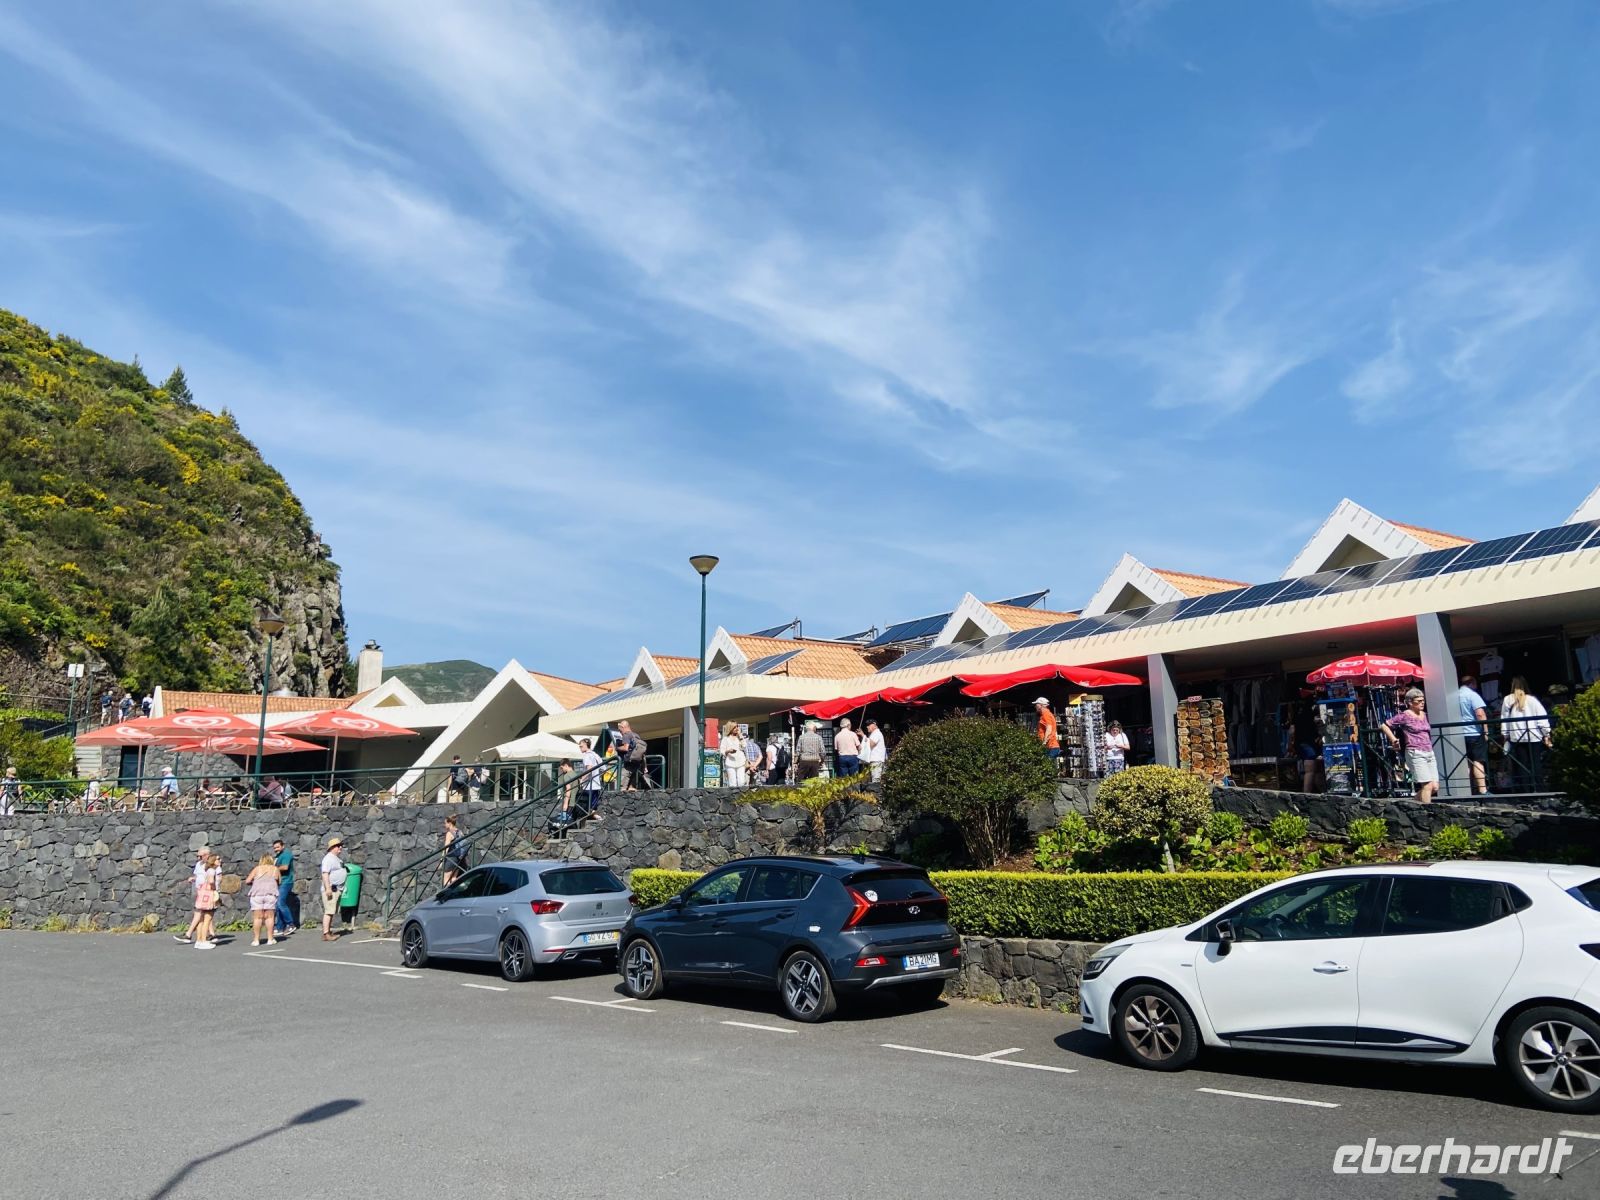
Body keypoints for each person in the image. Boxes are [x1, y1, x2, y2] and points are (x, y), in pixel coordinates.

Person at [1383, 688, 1438, 803]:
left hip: (1429, 751)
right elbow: (1385, 725)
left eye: (1423, 700)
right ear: (1410, 703)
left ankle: (1413, 803)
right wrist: (1393, 740)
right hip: (1415, 752)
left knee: (1434, 787)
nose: (1422, 703)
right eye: (1418, 701)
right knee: (1427, 786)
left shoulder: (1425, 714)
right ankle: (1427, 814)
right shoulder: (1405, 716)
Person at [1500, 677, 1553, 792]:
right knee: (1535, 763)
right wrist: (1546, 734)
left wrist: (1505, 735)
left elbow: (1504, 719)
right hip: (1533, 736)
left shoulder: (1507, 700)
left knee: (1521, 765)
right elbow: (1541, 719)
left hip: (1517, 737)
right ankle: (1538, 788)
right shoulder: (1532, 700)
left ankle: (1525, 789)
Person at [1457, 673, 1490, 796]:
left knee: (1466, 762)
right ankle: (1482, 790)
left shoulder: (1455, 695)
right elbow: (1480, 713)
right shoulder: (1472, 695)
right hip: (1474, 732)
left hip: (1459, 734)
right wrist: (1485, 730)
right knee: (1478, 760)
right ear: (1472, 683)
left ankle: (1466, 790)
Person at [175, 846, 210, 943]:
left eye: (200, 856)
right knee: (204, 914)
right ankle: (210, 934)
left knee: (200, 913)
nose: (198, 858)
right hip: (199, 891)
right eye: (197, 856)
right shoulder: (199, 864)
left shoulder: (210, 865)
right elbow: (197, 875)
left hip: (207, 892)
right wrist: (193, 878)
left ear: (207, 855)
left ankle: (189, 934)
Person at [245, 854, 281, 947]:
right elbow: (278, 881)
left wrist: (256, 882)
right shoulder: (275, 869)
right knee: (269, 917)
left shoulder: (257, 869)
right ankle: (270, 938)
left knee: (257, 918)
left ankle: (256, 940)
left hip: (257, 894)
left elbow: (247, 881)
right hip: (270, 894)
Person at [320, 836, 348, 941]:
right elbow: (325, 873)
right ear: (332, 847)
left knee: (332, 911)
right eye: (338, 846)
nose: (340, 847)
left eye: (340, 846)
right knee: (329, 911)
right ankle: (326, 933)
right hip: (332, 889)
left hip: (337, 889)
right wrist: (328, 888)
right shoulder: (328, 859)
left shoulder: (336, 858)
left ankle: (328, 931)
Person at [193, 853, 221, 949]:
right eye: (218, 859)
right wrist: (214, 889)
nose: (220, 861)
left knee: (201, 919)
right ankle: (204, 940)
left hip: (203, 894)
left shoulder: (208, 870)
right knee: (207, 918)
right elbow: (211, 881)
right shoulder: (212, 871)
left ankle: (199, 940)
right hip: (208, 895)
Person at [272, 838, 297, 936]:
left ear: (283, 846)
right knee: (278, 905)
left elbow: (285, 867)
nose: (276, 849)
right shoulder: (279, 856)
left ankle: (290, 924)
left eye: (278, 847)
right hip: (280, 883)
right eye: (274, 848)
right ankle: (279, 927)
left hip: (286, 882)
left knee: (280, 903)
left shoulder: (286, 854)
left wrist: (273, 869)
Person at [615, 721, 649, 790]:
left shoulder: (626, 735)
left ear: (623, 727)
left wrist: (617, 748)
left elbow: (625, 748)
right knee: (631, 785)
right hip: (637, 761)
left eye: (620, 730)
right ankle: (631, 788)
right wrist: (644, 766)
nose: (620, 732)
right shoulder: (636, 735)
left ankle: (622, 795)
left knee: (622, 785)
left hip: (629, 761)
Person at [578, 738, 604, 818]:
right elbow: (603, 768)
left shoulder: (587, 756)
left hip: (589, 784)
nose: (580, 748)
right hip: (596, 783)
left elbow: (589, 769)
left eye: (581, 746)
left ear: (586, 745)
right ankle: (595, 815)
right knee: (593, 803)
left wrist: (582, 779)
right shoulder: (595, 754)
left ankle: (592, 815)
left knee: (586, 802)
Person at [442, 816, 468, 885]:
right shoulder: (460, 832)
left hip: (451, 858)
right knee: (454, 878)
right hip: (459, 858)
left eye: (445, 823)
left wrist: (442, 860)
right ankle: (454, 894)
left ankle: (446, 895)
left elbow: (446, 848)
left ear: (449, 823)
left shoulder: (449, 833)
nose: (444, 825)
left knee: (446, 880)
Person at [1034, 698, 1060, 765]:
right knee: (1048, 767)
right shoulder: (1046, 714)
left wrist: (1044, 742)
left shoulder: (1046, 714)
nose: (1035, 706)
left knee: (1046, 766)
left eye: (1036, 704)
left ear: (1041, 705)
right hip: (1051, 746)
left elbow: (1049, 728)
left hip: (1051, 746)